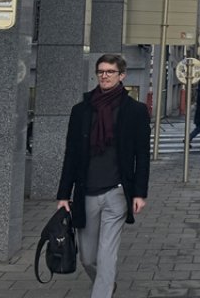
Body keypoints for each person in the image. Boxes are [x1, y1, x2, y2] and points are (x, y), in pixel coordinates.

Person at [56, 54, 151, 298]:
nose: (104, 75)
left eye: (110, 71)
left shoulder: (136, 111)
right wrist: (63, 194)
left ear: (122, 76)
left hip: (117, 192)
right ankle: (105, 282)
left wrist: (140, 193)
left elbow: (142, 156)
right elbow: (71, 155)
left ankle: (103, 291)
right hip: (87, 191)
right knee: (88, 257)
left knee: (107, 254)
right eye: (101, 72)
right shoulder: (81, 111)